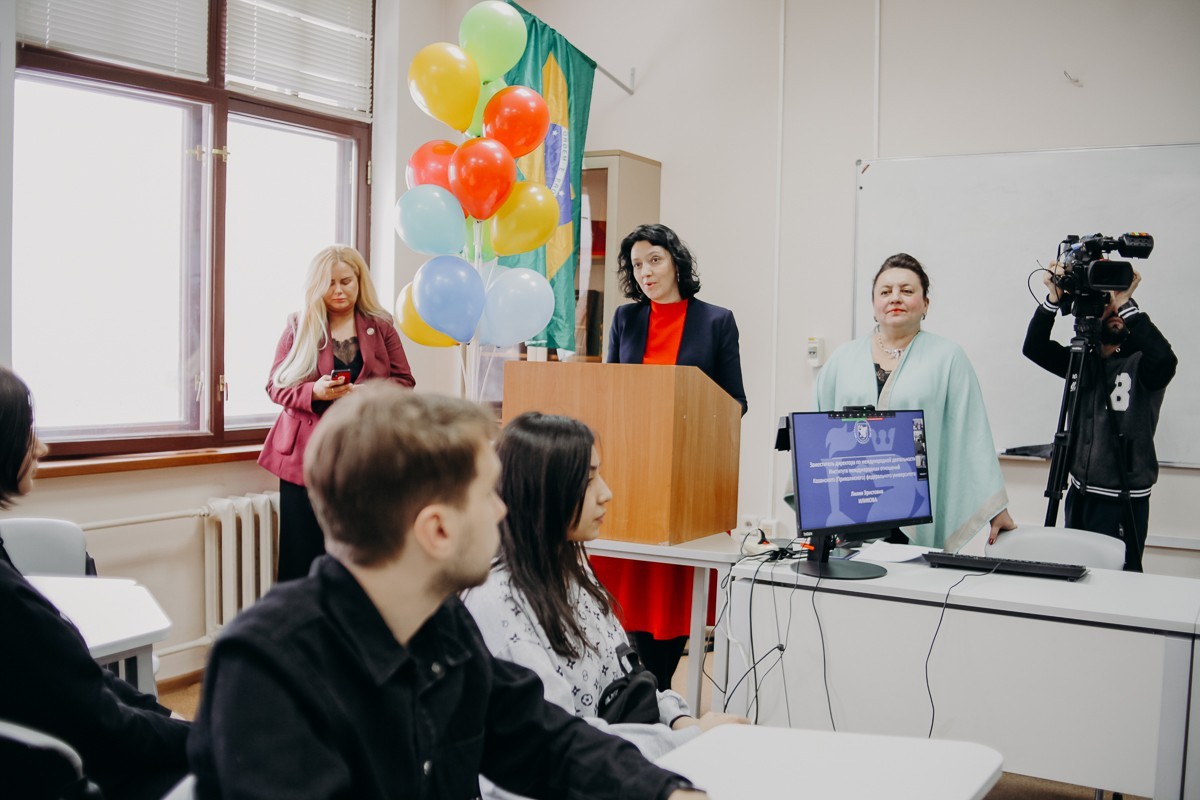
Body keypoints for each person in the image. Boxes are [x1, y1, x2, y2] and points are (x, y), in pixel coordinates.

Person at [189, 384, 707, 800]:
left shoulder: (437, 623)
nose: (503, 510)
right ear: (437, 530)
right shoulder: (267, 669)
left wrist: (663, 790)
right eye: (487, 495)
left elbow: (541, 737)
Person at [463, 412, 746, 795]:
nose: (606, 493)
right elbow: (561, 745)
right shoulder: (499, 601)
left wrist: (681, 721)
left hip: (622, 764)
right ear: (543, 490)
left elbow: (628, 676)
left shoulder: (571, 569)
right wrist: (688, 738)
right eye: (588, 480)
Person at [0, 366, 190, 800]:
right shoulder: (11, 601)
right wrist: (206, 735)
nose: (41, 448)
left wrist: (162, 714)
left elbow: (80, 679)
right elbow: (110, 729)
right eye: (28, 435)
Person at [594, 223, 746, 691]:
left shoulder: (716, 321)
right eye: (637, 264)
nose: (646, 272)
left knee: (670, 596)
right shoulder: (625, 319)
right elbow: (611, 395)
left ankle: (658, 689)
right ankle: (639, 692)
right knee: (629, 596)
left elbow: (735, 403)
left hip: (686, 482)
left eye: (654, 260)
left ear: (676, 262)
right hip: (633, 478)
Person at [814, 253, 1016, 552]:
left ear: (925, 304)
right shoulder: (842, 359)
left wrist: (995, 507)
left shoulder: (948, 358)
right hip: (851, 505)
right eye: (885, 291)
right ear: (874, 305)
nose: (895, 298)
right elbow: (818, 433)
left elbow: (972, 431)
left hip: (914, 507)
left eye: (907, 291)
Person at [259, 244, 415, 582]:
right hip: (305, 457)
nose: (339, 290)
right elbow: (274, 387)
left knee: (358, 552)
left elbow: (404, 382)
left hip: (364, 454)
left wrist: (368, 394)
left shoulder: (381, 327)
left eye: (346, 281)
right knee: (301, 554)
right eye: (330, 283)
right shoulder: (298, 326)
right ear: (317, 286)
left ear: (360, 282)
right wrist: (313, 392)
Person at [1022, 267, 1177, 557]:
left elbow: (1165, 359)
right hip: (1079, 494)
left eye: (1119, 306)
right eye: (1106, 303)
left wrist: (1125, 302)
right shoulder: (1081, 360)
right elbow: (1034, 347)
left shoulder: (1142, 365)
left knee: (1119, 576)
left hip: (1123, 499)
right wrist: (1053, 299)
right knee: (1075, 569)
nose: (1114, 309)